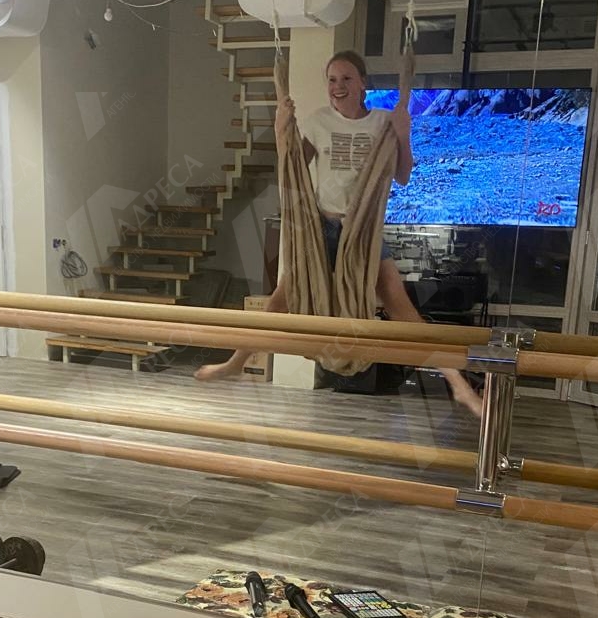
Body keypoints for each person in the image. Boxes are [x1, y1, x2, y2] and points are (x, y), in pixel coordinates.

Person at [195, 49, 482, 416]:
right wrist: (283, 129)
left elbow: (402, 175)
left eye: (346, 78)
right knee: (279, 301)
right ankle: (236, 363)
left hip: (362, 231)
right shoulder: (318, 122)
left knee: (401, 308)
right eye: (332, 80)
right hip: (321, 230)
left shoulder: (383, 122)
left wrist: (404, 135)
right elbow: (293, 169)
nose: (338, 86)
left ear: (363, 84)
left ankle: (458, 385)